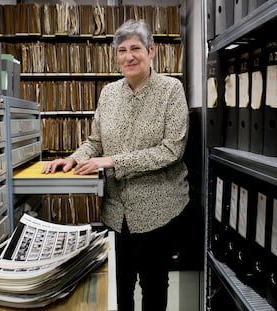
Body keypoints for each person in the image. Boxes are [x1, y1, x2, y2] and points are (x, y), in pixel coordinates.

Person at [42, 19, 189, 311]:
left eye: (135, 48)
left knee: (154, 287)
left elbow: (171, 150)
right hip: (116, 210)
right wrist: (74, 158)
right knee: (121, 286)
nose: (129, 56)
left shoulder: (171, 90)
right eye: (122, 50)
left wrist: (113, 160)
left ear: (151, 50)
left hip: (157, 208)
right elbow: (95, 142)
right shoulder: (108, 94)